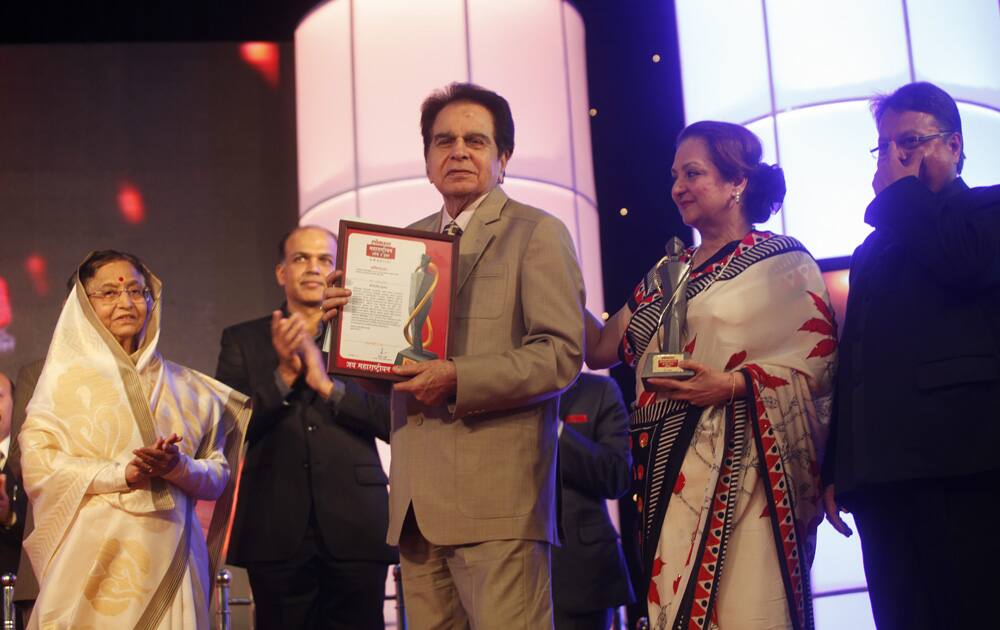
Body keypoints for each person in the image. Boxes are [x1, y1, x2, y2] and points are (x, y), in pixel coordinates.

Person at [322, 82, 585, 628]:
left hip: (499, 503)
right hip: (417, 508)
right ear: (427, 159)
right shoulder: (402, 243)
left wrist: (456, 376)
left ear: (503, 157)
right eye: (444, 141)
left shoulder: (537, 232)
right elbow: (389, 373)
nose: (458, 151)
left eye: (475, 140)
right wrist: (346, 336)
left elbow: (560, 354)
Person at [587, 121, 837, 629]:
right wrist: (553, 276)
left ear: (737, 182)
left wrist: (730, 384)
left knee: (746, 606)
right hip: (664, 475)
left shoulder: (780, 261)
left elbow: (818, 366)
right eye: (675, 174)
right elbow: (599, 349)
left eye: (693, 173)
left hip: (749, 478)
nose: (678, 186)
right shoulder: (667, 273)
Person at [821, 81, 1000, 630]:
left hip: (963, 465)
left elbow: (964, 263)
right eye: (885, 145)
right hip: (882, 478)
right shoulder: (874, 246)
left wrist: (899, 195)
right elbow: (855, 362)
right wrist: (838, 467)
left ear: (955, 145)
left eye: (912, 141)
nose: (896, 157)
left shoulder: (987, 207)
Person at [19, 250, 250, 629]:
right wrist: (122, 474)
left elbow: (219, 476)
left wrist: (178, 467)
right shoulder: (62, 385)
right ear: (82, 305)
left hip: (173, 557)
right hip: (92, 563)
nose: (126, 302)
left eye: (137, 292)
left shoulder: (191, 390)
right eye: (109, 293)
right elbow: (39, 466)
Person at [216, 226, 396, 630]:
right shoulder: (243, 339)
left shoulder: (367, 338)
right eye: (301, 258)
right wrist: (283, 375)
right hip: (274, 524)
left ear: (339, 274)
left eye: (325, 260)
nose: (313, 268)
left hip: (357, 524)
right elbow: (228, 426)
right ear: (282, 272)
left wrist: (327, 386)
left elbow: (391, 421)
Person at [552, 372, 635, 630]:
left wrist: (555, 430)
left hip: (583, 577)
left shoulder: (600, 390)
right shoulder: (503, 395)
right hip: (509, 566)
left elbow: (617, 476)